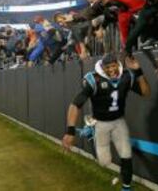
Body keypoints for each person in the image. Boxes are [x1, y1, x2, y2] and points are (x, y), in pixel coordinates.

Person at [62, 54, 151, 191]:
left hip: (118, 121)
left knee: (126, 155)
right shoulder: (95, 80)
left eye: (113, 66)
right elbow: (75, 104)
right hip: (101, 122)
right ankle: (92, 131)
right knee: (104, 162)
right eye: (107, 67)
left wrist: (138, 71)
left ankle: (126, 188)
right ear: (102, 68)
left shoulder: (126, 76)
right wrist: (70, 131)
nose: (111, 70)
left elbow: (146, 92)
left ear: (117, 64)